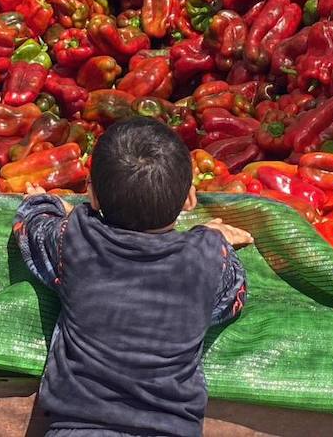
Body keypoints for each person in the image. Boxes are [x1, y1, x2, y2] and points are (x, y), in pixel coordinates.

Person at [13, 116, 252, 437]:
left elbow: (32, 228)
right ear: (190, 199)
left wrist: (42, 202)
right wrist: (212, 238)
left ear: (92, 196)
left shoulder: (76, 238)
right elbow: (232, 298)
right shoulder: (208, 256)